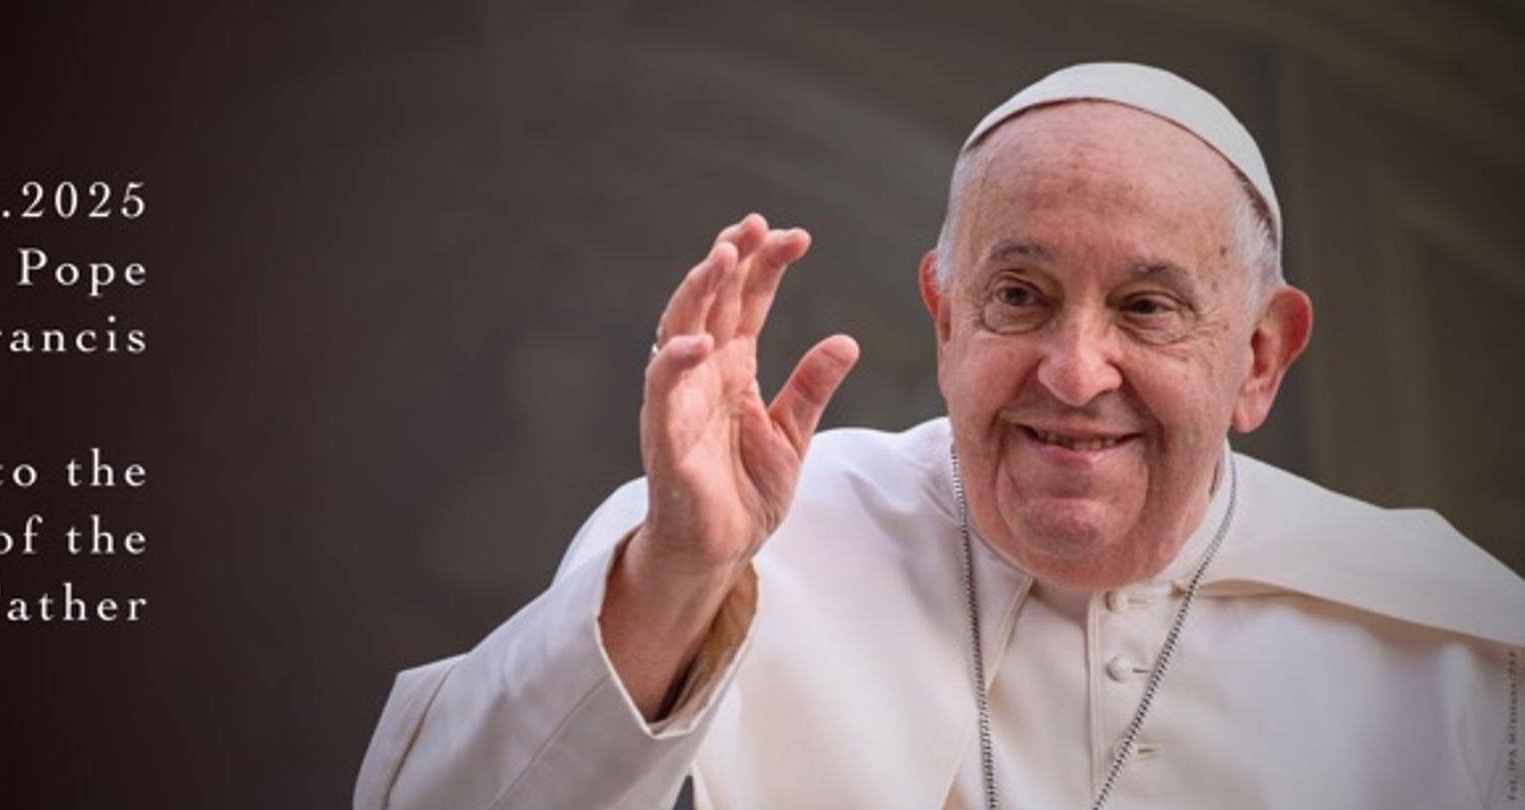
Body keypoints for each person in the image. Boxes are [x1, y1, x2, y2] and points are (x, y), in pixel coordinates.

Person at [355, 63, 1525, 809]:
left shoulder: (1457, 652)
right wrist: (674, 581)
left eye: (1147, 307)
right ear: (945, 314)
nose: (1074, 372)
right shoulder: (726, 552)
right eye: (1018, 295)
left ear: (1259, 356)